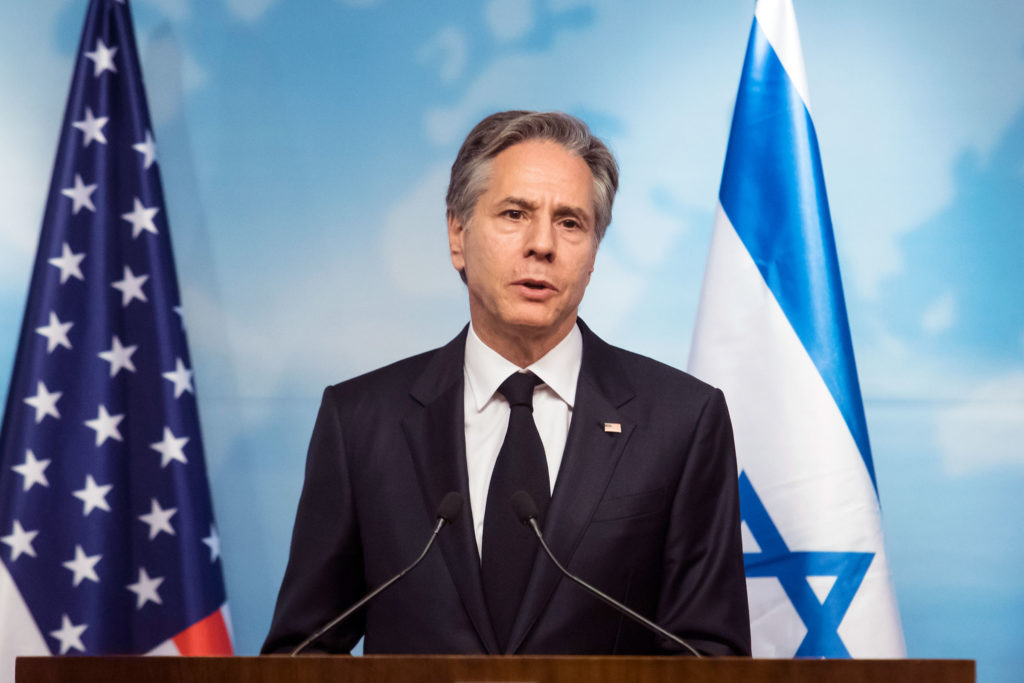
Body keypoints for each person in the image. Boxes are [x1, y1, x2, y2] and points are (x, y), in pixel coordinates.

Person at [262, 111, 750, 656]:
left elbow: (709, 656)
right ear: (457, 234)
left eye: (570, 223)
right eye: (515, 214)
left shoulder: (681, 421)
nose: (542, 244)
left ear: (593, 253)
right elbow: (302, 656)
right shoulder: (360, 421)